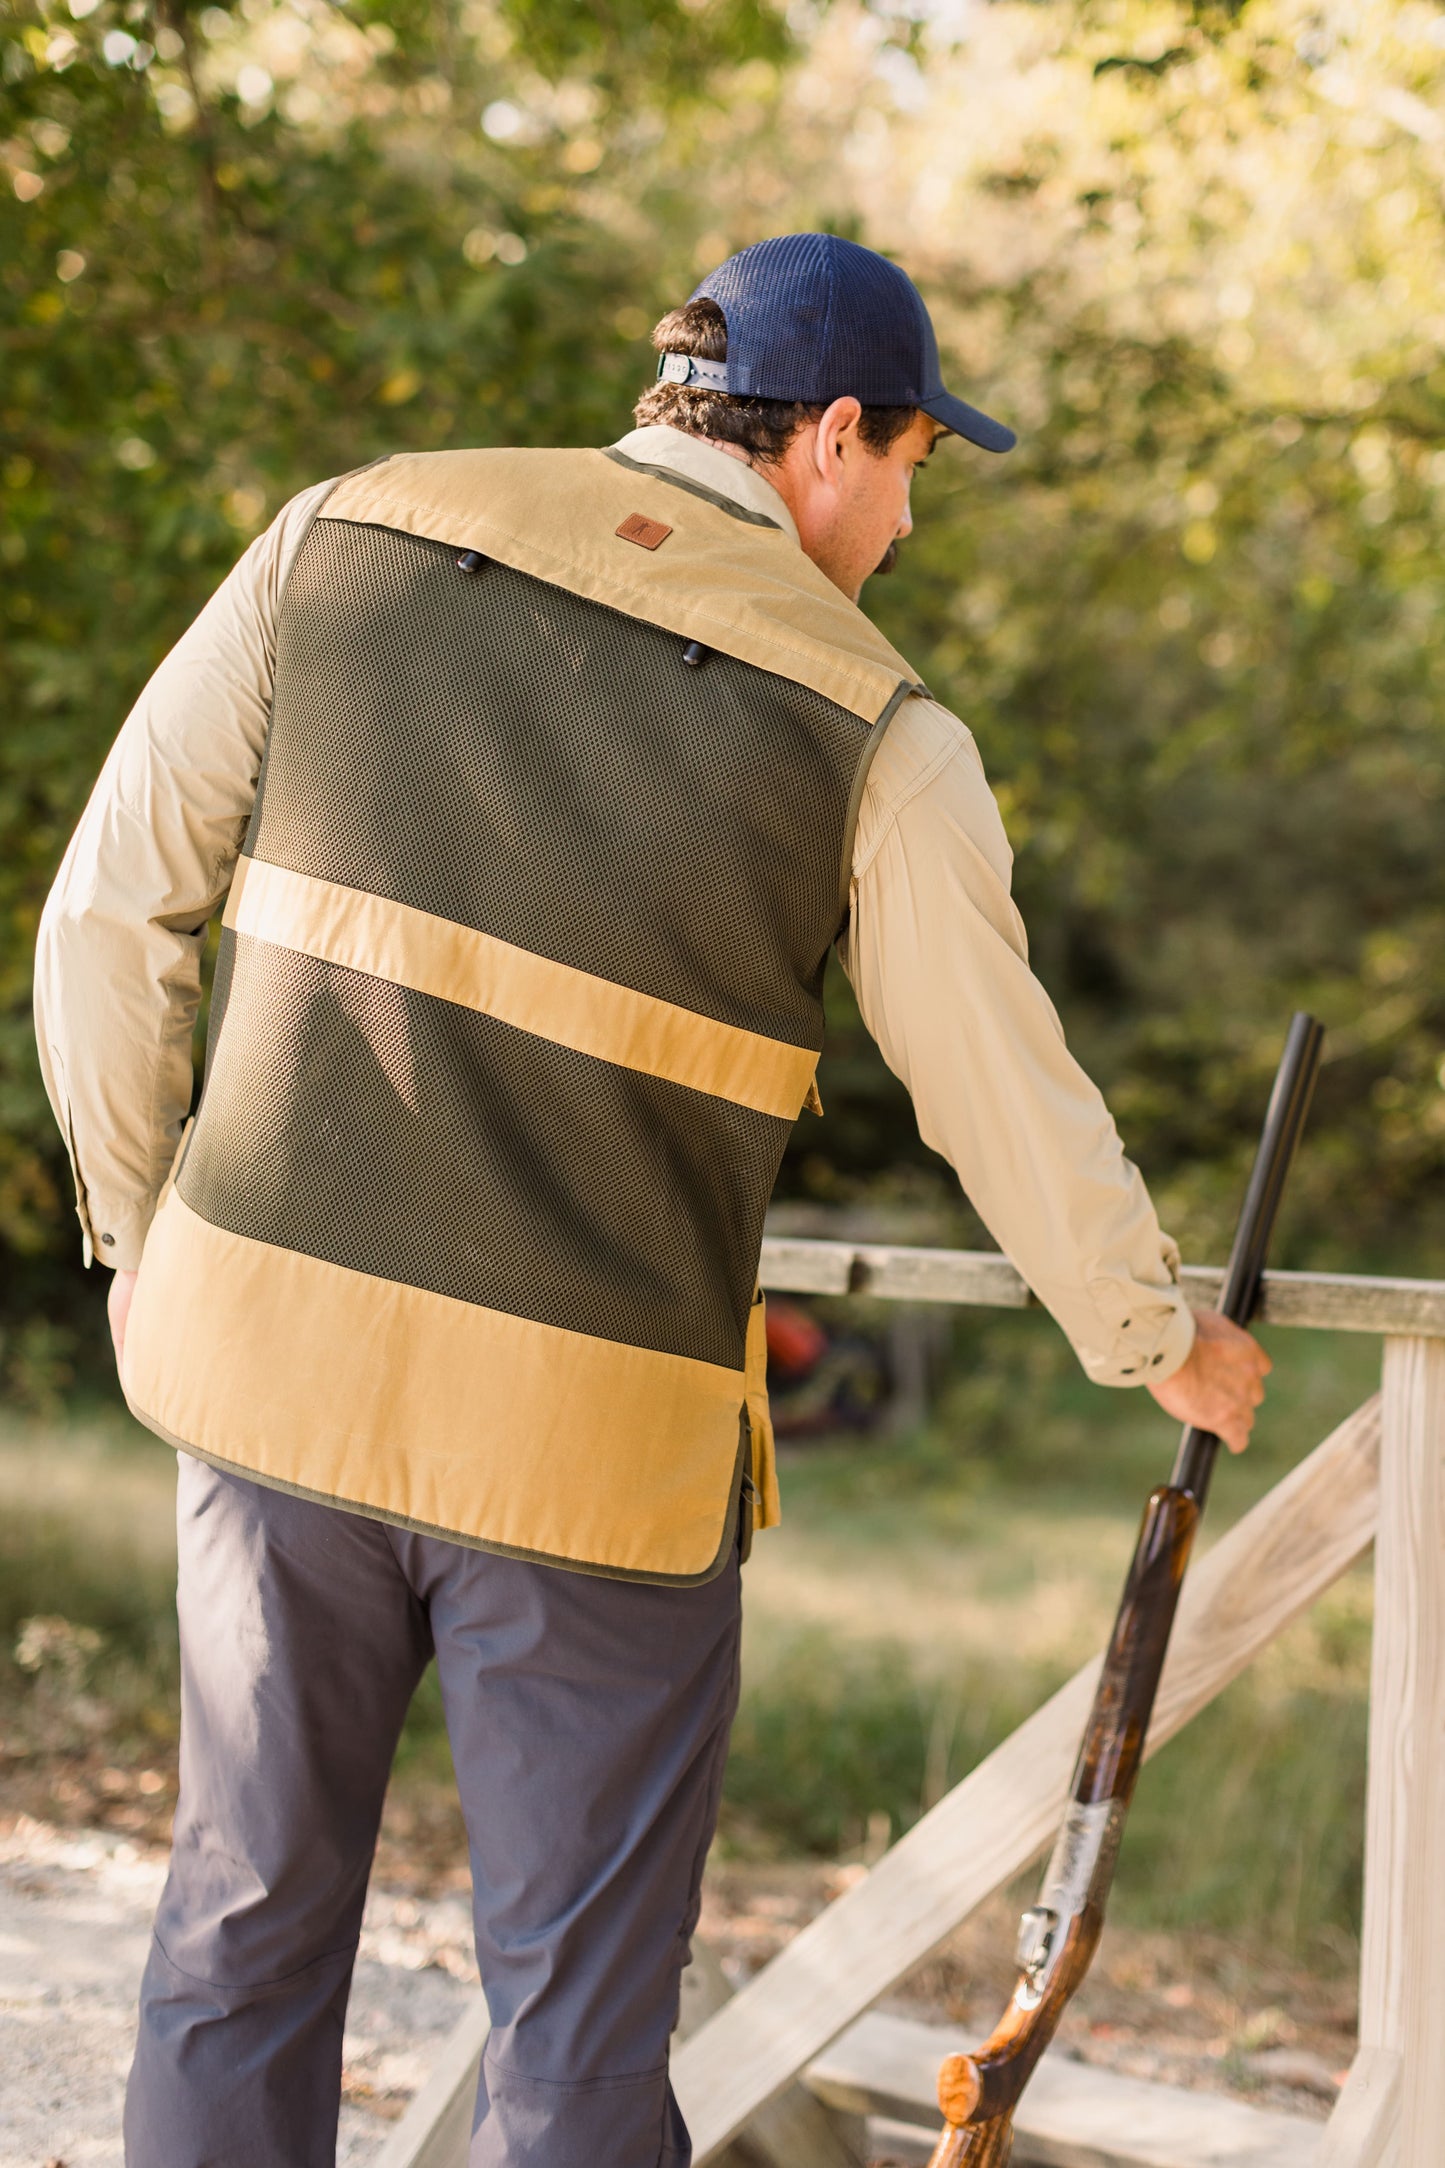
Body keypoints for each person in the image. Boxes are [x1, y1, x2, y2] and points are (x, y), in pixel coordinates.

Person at [34, 232, 1269, 2168]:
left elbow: (112, 914)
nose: (906, 524)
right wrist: (1148, 1333)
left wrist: (137, 1236)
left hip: (269, 1367)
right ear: (832, 434)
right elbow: (997, 1087)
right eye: (913, 468)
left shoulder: (343, 531)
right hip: (589, 1452)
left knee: (237, 1932)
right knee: (579, 2022)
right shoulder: (880, 728)